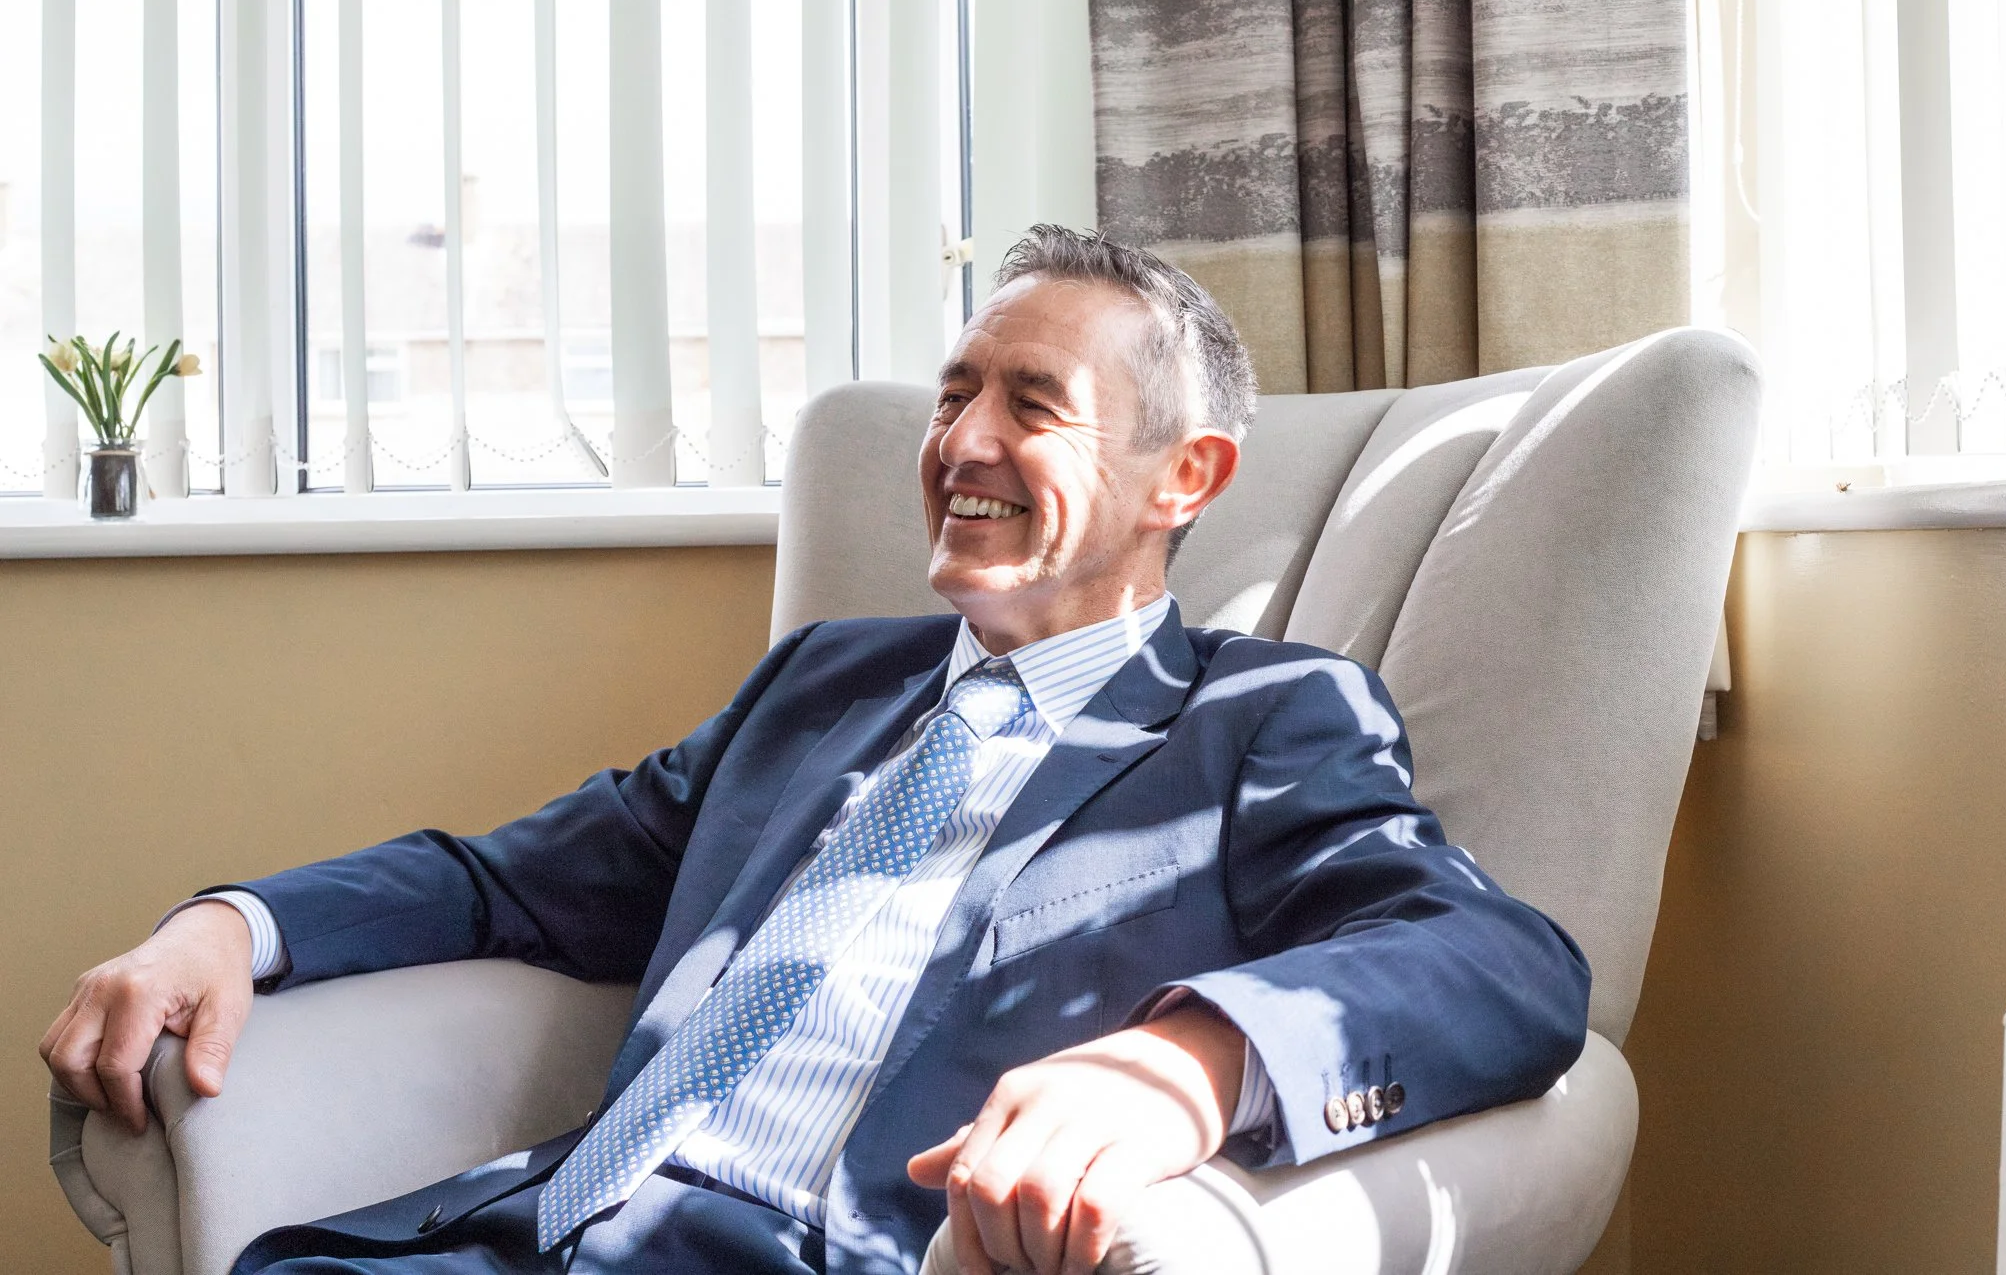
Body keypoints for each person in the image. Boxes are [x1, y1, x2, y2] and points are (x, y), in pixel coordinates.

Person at [41, 226, 1591, 1275]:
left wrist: (1187, 1063)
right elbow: (507, 881)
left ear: (1181, 476)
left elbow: (1498, 962)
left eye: (1029, 407)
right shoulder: (821, 687)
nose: (962, 443)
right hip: (526, 1240)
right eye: (955, 394)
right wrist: (227, 926)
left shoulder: (1264, 718)